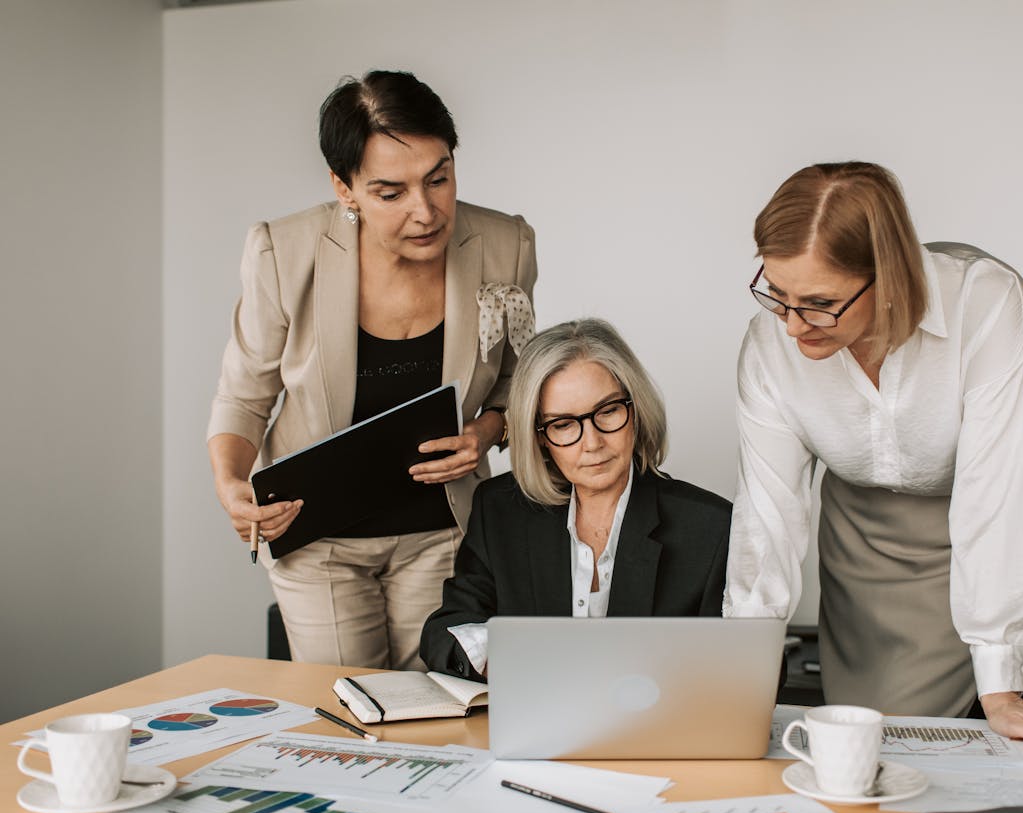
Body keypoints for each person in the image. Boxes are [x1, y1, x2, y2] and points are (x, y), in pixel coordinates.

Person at [725, 161, 1023, 756]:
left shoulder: (985, 303)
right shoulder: (768, 346)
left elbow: (1000, 492)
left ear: (886, 276)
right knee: (862, 738)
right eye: (776, 294)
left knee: (922, 746)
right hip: (858, 538)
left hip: (964, 528)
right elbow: (768, 515)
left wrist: (1002, 685)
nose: (791, 326)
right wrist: (742, 675)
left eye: (819, 303)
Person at [207, 70, 537, 671]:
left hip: (444, 529)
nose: (426, 211)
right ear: (345, 187)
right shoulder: (283, 252)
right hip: (317, 537)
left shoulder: (505, 242)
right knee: (351, 714)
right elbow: (244, 396)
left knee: (440, 707)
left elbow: (520, 385)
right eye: (391, 192)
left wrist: (484, 434)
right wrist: (232, 485)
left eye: (439, 178)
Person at [421, 318, 730, 680]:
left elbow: (756, 667)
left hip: (655, 729)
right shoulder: (500, 509)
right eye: (564, 424)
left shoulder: (711, 527)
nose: (593, 442)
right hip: (532, 727)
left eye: (608, 411)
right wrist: (498, 654)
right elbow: (445, 629)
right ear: (539, 435)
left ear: (636, 410)